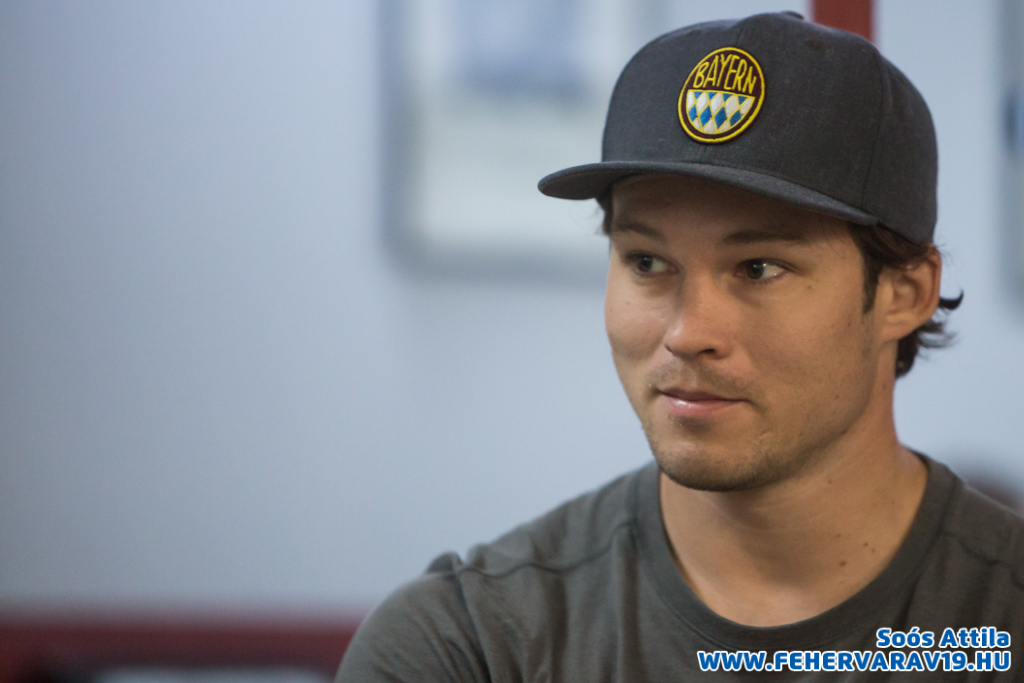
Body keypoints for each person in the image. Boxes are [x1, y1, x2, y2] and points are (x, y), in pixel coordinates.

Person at [337, 12, 1024, 680]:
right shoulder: (469, 648)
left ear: (906, 292)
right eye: (646, 262)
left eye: (758, 268)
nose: (688, 333)